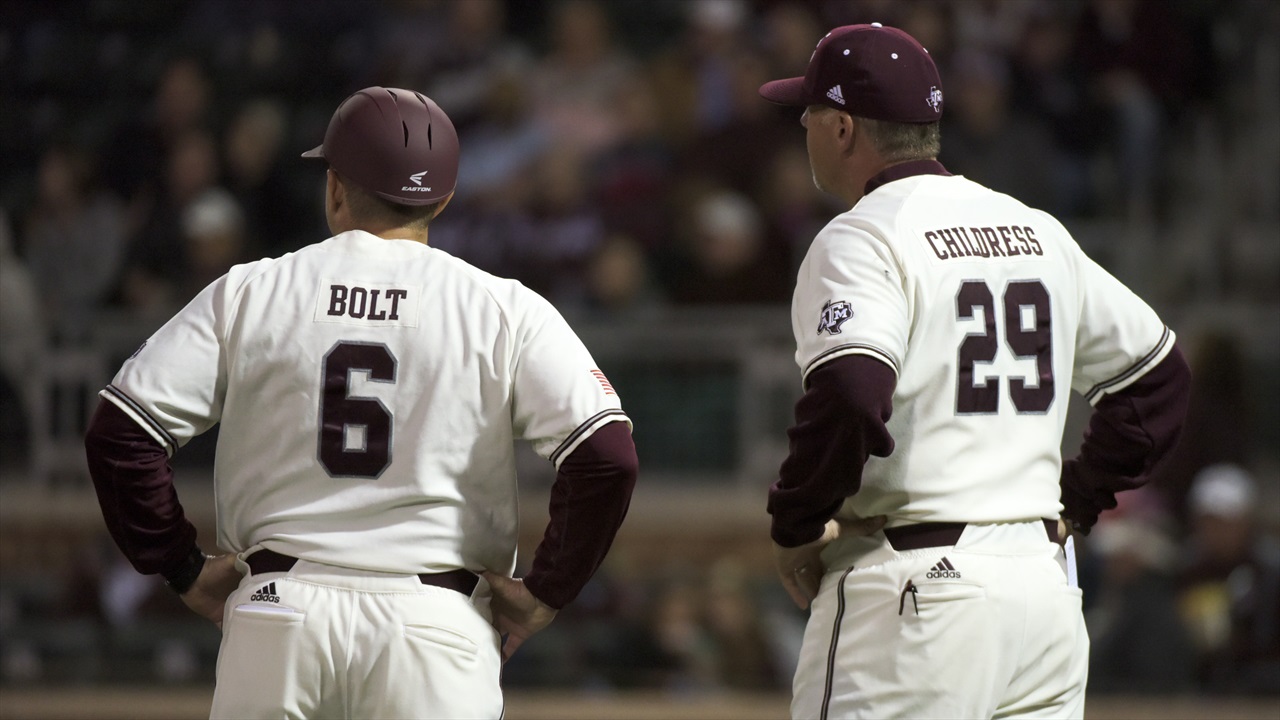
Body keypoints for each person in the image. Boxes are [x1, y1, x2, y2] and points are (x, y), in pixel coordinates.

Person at [83, 86, 638, 719]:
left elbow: (119, 432)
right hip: (434, 627)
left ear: (336, 187)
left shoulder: (251, 292)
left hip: (277, 615)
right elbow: (607, 456)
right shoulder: (503, 308)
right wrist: (547, 590)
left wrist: (179, 563)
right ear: (444, 199)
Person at [758, 24, 1191, 719]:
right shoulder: (1035, 228)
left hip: (916, 596)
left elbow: (850, 390)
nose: (803, 128)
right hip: (1041, 596)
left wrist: (796, 524)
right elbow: (1160, 373)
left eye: (808, 115)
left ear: (842, 128)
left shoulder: (862, 235)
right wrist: (1075, 499)